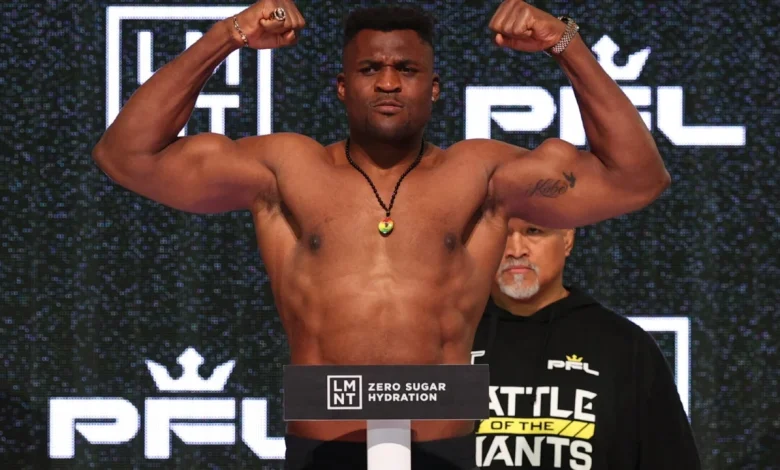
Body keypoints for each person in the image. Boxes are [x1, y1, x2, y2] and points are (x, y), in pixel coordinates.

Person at [91, 0, 670, 467]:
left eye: (406, 70)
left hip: (442, 452)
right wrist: (228, 34)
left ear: (434, 88)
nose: (389, 83)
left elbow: (636, 180)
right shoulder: (286, 171)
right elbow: (127, 156)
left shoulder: (483, 175)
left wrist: (564, 43)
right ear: (342, 86)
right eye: (370, 69)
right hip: (324, 453)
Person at [471, 218, 701, 469]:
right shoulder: (455, 341)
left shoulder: (623, 346)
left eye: (533, 231)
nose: (516, 250)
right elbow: (441, 451)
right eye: (502, 233)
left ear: (567, 239)